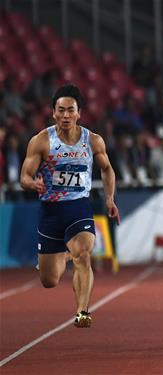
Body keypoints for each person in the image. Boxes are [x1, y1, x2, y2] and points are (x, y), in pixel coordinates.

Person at [18, 84, 120, 328]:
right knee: (49, 280)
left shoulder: (92, 140)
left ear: (79, 113)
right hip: (51, 212)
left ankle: (82, 311)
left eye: (70, 110)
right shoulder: (41, 141)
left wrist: (109, 198)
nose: (65, 116)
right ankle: (63, 253)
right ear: (53, 112)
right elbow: (23, 177)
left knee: (83, 254)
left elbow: (107, 169)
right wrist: (33, 184)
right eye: (60, 110)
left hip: (78, 207)